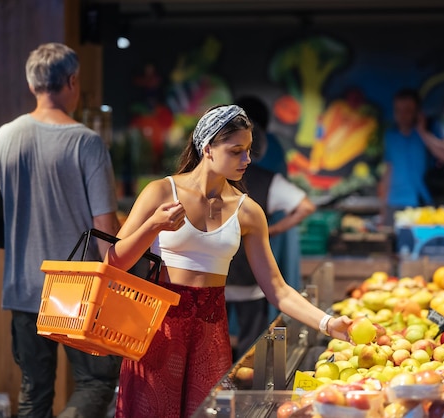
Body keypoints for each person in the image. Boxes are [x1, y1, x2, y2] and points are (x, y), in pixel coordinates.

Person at [105, 104, 352, 417]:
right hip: (158, 327)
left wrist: (328, 323)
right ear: (207, 148)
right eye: (236, 151)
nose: (246, 160)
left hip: (211, 330)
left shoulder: (249, 212)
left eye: (248, 150)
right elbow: (112, 262)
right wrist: (153, 226)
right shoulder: (160, 192)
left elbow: (277, 288)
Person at [0, 43, 121, 418]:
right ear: (71, 82)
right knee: (96, 383)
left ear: (32, 83)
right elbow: (105, 230)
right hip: (77, 290)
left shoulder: (5, 136)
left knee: (33, 393)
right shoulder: (86, 142)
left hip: (22, 286)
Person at [226, 96, 316, 359]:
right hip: (250, 264)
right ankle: (241, 382)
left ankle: (228, 385)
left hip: (226, 271)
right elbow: (305, 205)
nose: (244, 160)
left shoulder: (215, 187)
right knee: (251, 338)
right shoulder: (264, 180)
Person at [379, 88, 444, 226]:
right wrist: (383, 209)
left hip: (422, 202)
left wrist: (422, 132)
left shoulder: (431, 128)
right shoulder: (390, 135)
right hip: (394, 203)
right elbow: (388, 171)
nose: (402, 116)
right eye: (398, 111)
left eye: (407, 111)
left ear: (417, 112)